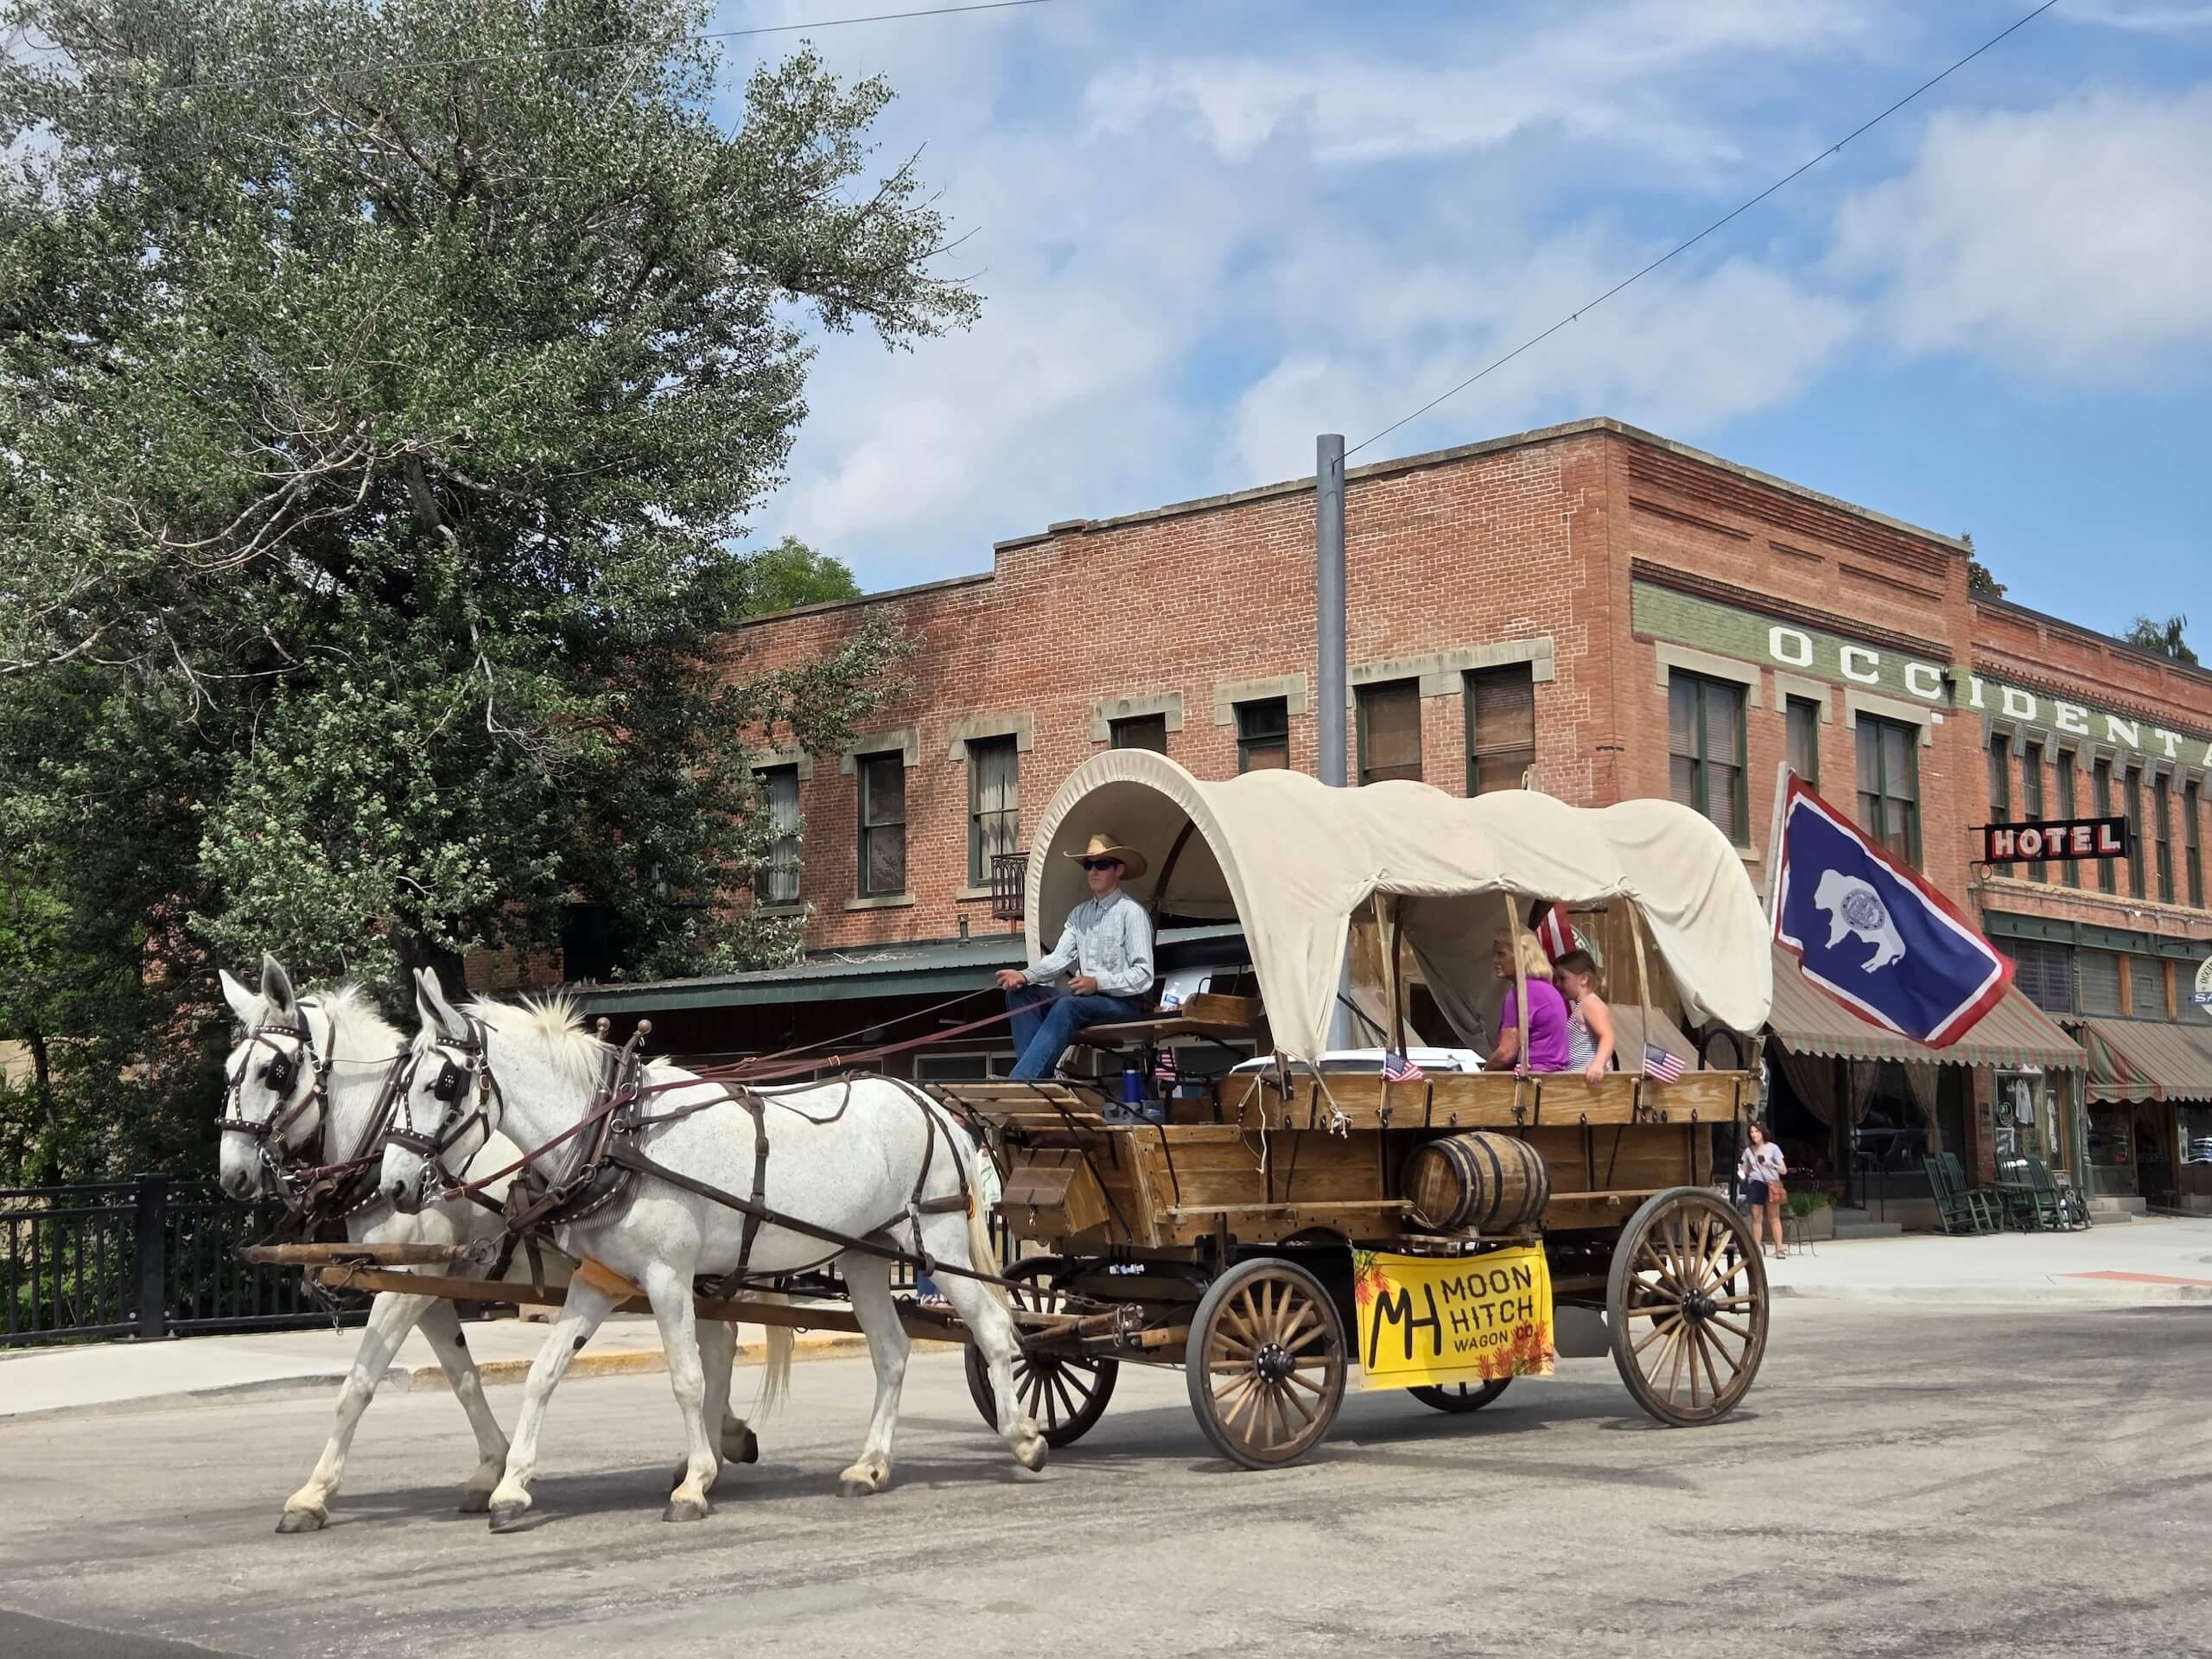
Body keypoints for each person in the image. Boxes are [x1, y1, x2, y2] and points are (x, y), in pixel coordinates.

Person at [995, 832, 1154, 1081]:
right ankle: (1037, 1079)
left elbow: (1143, 976)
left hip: (1124, 1004)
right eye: (1088, 865)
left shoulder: (1132, 914)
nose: (1093, 871)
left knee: (1069, 1004)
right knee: (1020, 995)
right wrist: (1024, 976)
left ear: (1119, 870)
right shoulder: (1079, 915)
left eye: (1101, 864)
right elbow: (1059, 959)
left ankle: (1023, 1081)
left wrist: (1098, 983)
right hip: (1085, 1001)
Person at [1485, 929, 1570, 1072]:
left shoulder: (1521, 993)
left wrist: (1485, 1073)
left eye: (1501, 954)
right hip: (1554, 1075)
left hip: (1531, 1076)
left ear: (1521, 956)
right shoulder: (1549, 990)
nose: (1495, 959)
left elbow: (1505, 1053)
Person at [1553, 949, 1616, 1084]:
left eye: (1563, 979)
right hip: (1579, 1078)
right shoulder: (1581, 1006)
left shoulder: (1591, 1004)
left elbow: (1607, 1035)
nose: (1557, 984)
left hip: (1589, 1079)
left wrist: (1598, 1063)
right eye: (1556, 979)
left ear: (1583, 979)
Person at [1737, 1120, 1788, 1258]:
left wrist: (1771, 1165)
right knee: (1756, 1217)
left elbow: (1784, 1170)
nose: (1754, 1134)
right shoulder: (1748, 1151)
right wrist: (1740, 1169)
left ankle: (1779, 1248)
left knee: (1774, 1217)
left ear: (1762, 1132)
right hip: (1755, 1182)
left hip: (1771, 1182)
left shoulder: (1773, 1148)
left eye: (1756, 1131)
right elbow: (1745, 1170)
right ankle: (1756, 1248)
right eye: (1751, 1132)